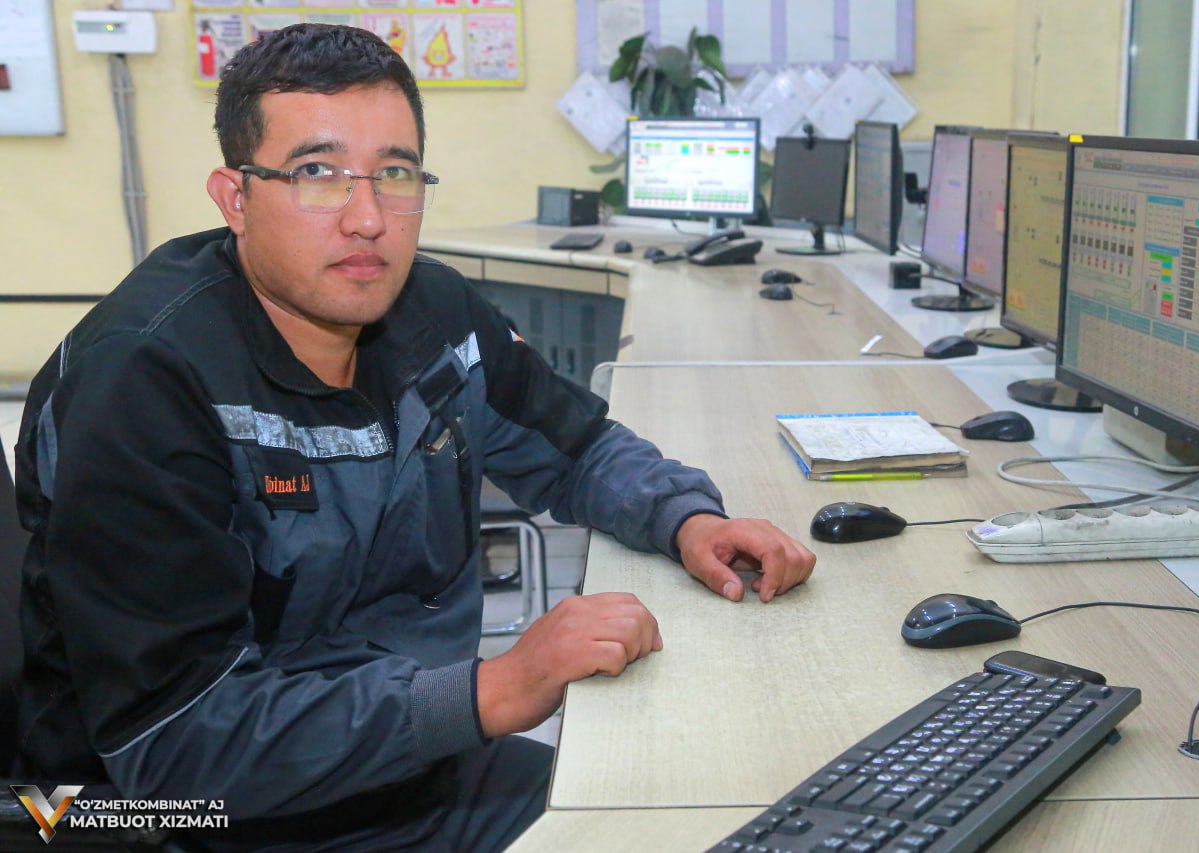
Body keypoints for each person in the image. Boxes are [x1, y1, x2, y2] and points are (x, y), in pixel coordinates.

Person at [12, 24, 815, 851]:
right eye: (317, 174)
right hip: (184, 820)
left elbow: (576, 449)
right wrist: (494, 690)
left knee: (713, 808)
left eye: (395, 174)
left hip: (410, 769)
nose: (368, 219)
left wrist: (688, 519)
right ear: (236, 197)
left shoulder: (431, 312)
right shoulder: (140, 382)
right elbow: (174, 742)